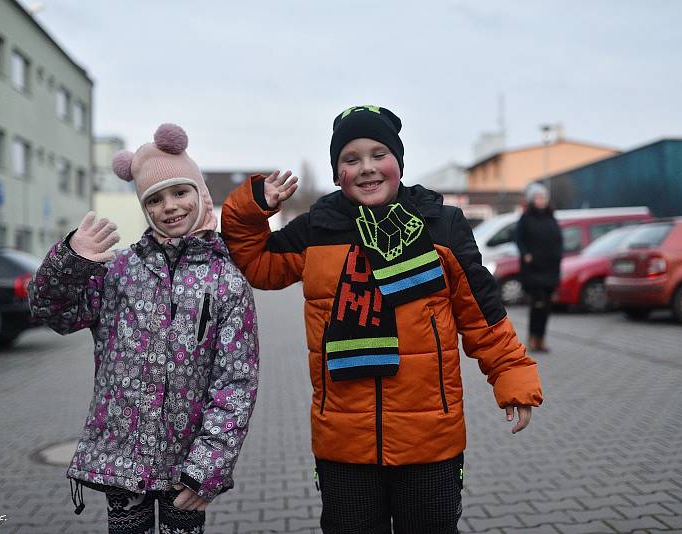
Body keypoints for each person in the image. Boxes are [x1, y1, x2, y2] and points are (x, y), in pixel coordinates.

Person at [221, 105, 543, 534]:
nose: (366, 168)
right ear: (338, 173)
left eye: (378, 154)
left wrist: (511, 374)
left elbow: (480, 309)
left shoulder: (439, 224)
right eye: (351, 159)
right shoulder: (320, 226)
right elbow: (256, 262)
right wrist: (251, 207)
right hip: (343, 442)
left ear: (399, 162)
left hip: (430, 441)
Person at [29, 124, 259, 534]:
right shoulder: (118, 271)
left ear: (200, 194)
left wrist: (207, 468)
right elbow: (54, 312)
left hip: (186, 466)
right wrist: (70, 263)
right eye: (154, 199)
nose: (169, 206)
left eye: (179, 192)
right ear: (144, 207)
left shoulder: (227, 282)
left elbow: (236, 384)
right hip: (123, 459)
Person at [515, 182, 563, 353]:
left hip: (550, 269)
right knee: (538, 304)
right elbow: (519, 239)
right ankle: (533, 337)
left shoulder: (551, 217)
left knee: (547, 305)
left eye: (543, 197)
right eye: (537, 197)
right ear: (531, 200)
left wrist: (558, 257)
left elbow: (558, 240)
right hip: (534, 270)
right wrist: (526, 254)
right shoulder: (526, 218)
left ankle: (542, 338)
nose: (541, 200)